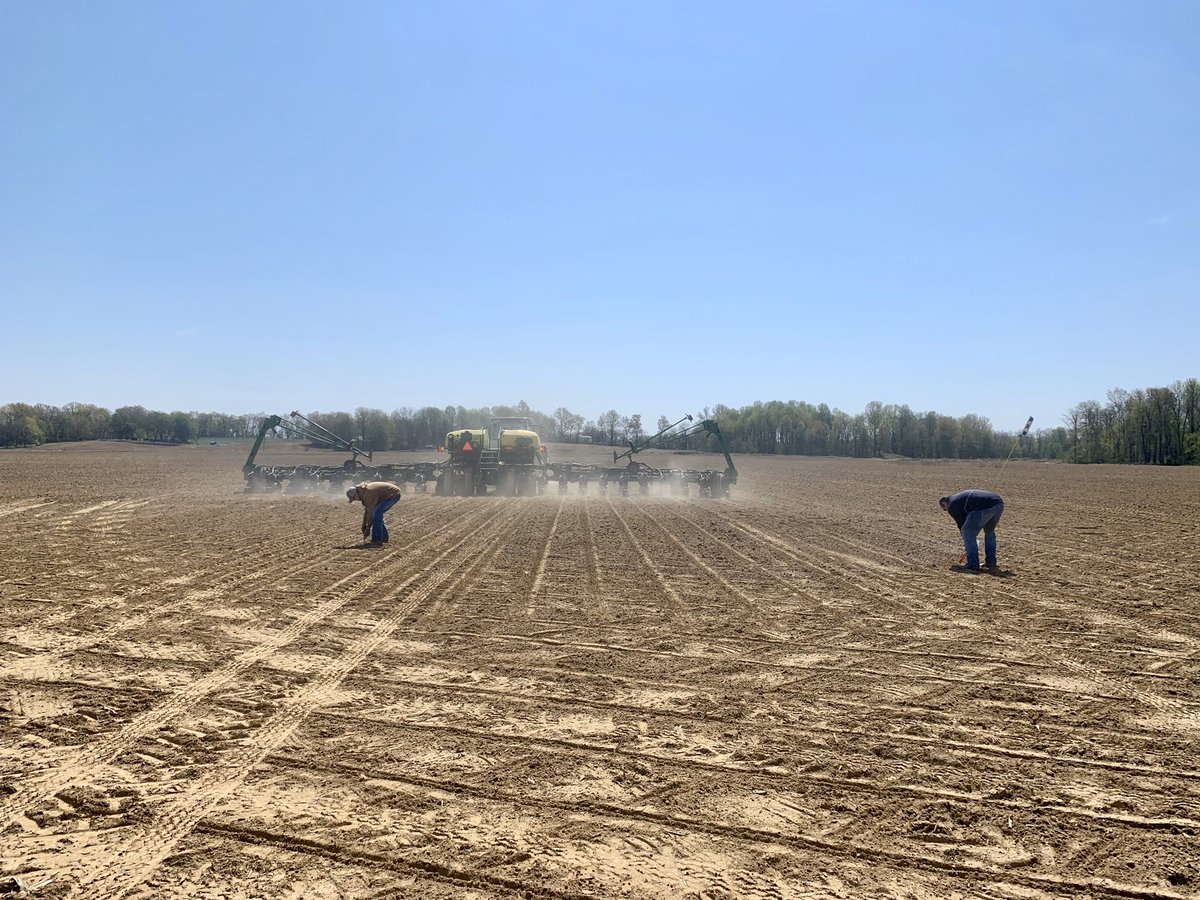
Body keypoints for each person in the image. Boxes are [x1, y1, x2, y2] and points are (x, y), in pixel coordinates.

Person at [939, 489, 1004, 571]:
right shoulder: (958, 499)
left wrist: (967, 543)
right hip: (998, 503)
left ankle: (973, 564)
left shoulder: (952, 505)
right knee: (989, 532)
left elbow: (962, 524)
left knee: (967, 532)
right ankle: (991, 562)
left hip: (983, 507)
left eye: (945, 509)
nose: (947, 511)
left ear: (944, 504)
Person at [346, 481, 403, 545]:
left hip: (393, 495)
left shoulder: (368, 494)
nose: (356, 500)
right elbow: (367, 510)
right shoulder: (364, 491)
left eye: (354, 498)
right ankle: (383, 538)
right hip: (388, 495)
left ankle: (377, 539)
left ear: (356, 494)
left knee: (377, 513)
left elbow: (370, 512)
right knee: (377, 513)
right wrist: (364, 525)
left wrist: (368, 528)